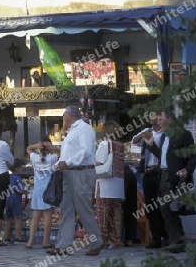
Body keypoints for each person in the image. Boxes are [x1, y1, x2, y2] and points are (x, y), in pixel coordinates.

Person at [46, 105, 103, 256]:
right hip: (69, 173)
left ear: (70, 115)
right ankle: (63, 244)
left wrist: (68, 162)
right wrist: (60, 165)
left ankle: (96, 242)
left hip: (81, 172)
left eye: (64, 115)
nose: (63, 118)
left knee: (84, 209)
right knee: (66, 209)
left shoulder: (83, 128)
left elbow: (86, 151)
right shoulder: (72, 131)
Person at [144, 111, 196, 253]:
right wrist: (151, 145)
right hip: (162, 176)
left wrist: (187, 170)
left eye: (161, 119)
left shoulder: (183, 134)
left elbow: (193, 156)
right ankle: (176, 239)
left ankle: (177, 241)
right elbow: (163, 157)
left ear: (171, 119)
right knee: (166, 207)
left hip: (175, 177)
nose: (158, 122)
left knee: (166, 207)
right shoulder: (163, 137)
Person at [132, 113, 167, 248]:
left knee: (162, 206)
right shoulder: (148, 131)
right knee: (150, 207)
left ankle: (166, 236)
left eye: (156, 116)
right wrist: (142, 136)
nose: (152, 118)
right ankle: (156, 238)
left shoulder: (165, 134)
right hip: (148, 173)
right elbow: (134, 141)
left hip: (160, 172)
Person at [94, 120, 125, 249]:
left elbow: (99, 163)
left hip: (105, 184)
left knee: (102, 213)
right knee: (116, 212)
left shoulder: (104, 144)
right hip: (118, 184)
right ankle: (116, 239)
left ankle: (102, 240)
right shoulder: (120, 145)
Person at [25, 138, 59, 249]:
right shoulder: (52, 158)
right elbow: (62, 153)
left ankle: (30, 242)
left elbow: (28, 148)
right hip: (48, 190)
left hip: (37, 190)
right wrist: (52, 147)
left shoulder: (34, 158)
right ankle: (45, 242)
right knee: (47, 216)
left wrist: (37, 145)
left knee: (35, 216)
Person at [0, 120, 14, 247]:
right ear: (1, 132)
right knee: (0, 207)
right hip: (3, 176)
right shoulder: (4, 145)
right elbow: (11, 161)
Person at [4, 158, 28, 244]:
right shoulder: (18, 179)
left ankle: (6, 238)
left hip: (7, 197)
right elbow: (20, 190)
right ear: (17, 168)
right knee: (18, 218)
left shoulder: (8, 177)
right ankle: (18, 238)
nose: (22, 170)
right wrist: (26, 191)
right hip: (15, 199)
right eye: (21, 168)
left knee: (8, 219)